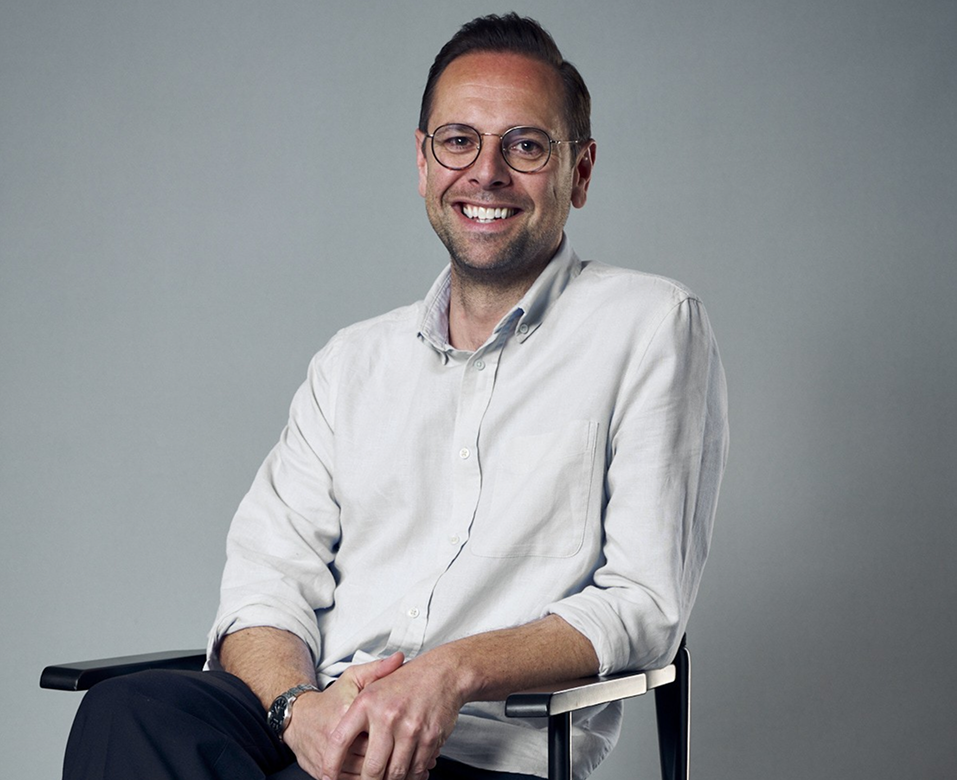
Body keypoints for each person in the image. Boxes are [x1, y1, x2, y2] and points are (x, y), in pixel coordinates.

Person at [63, 13, 728, 780]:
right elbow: (265, 587)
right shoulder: (352, 363)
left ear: (578, 172)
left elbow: (644, 601)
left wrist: (447, 673)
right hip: (316, 715)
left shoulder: (651, 327)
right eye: (459, 141)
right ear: (423, 161)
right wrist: (299, 712)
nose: (485, 172)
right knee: (126, 712)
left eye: (526, 146)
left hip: (476, 747)